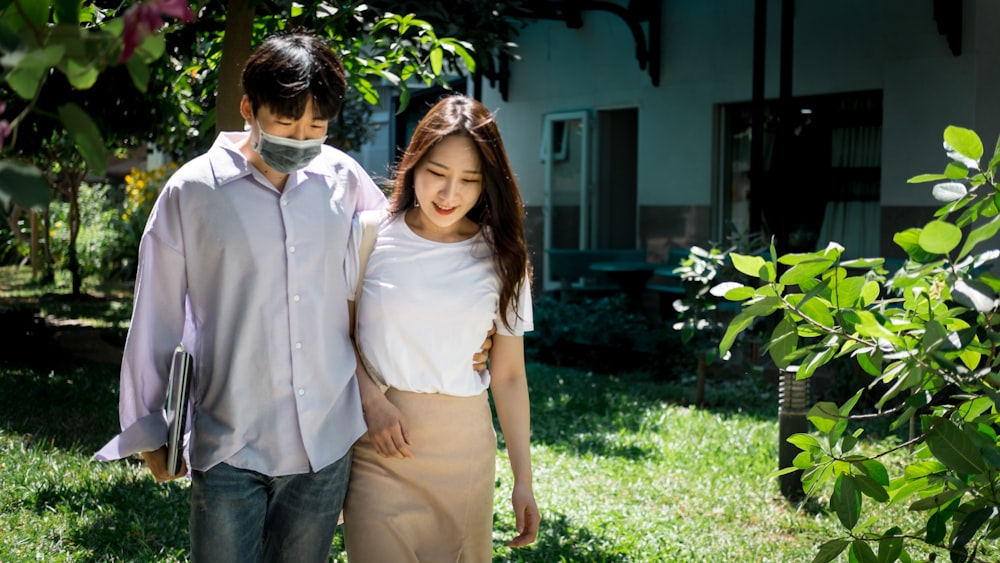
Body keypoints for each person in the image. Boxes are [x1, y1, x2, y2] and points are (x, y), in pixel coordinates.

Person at [93, 31, 489, 562]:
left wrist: (466, 330)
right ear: (248, 109)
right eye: (285, 122)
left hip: (325, 442)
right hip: (229, 439)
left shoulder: (343, 181)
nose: (301, 137)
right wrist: (148, 428)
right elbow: (155, 318)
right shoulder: (192, 193)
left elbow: (402, 259)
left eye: (317, 126)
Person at [342, 93, 541, 562]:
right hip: (378, 447)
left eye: (469, 180)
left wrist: (523, 480)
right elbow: (337, 335)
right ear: (413, 164)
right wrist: (372, 402)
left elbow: (510, 375)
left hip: (465, 455)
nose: (450, 195)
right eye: (437, 174)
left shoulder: (504, 257)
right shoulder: (369, 234)